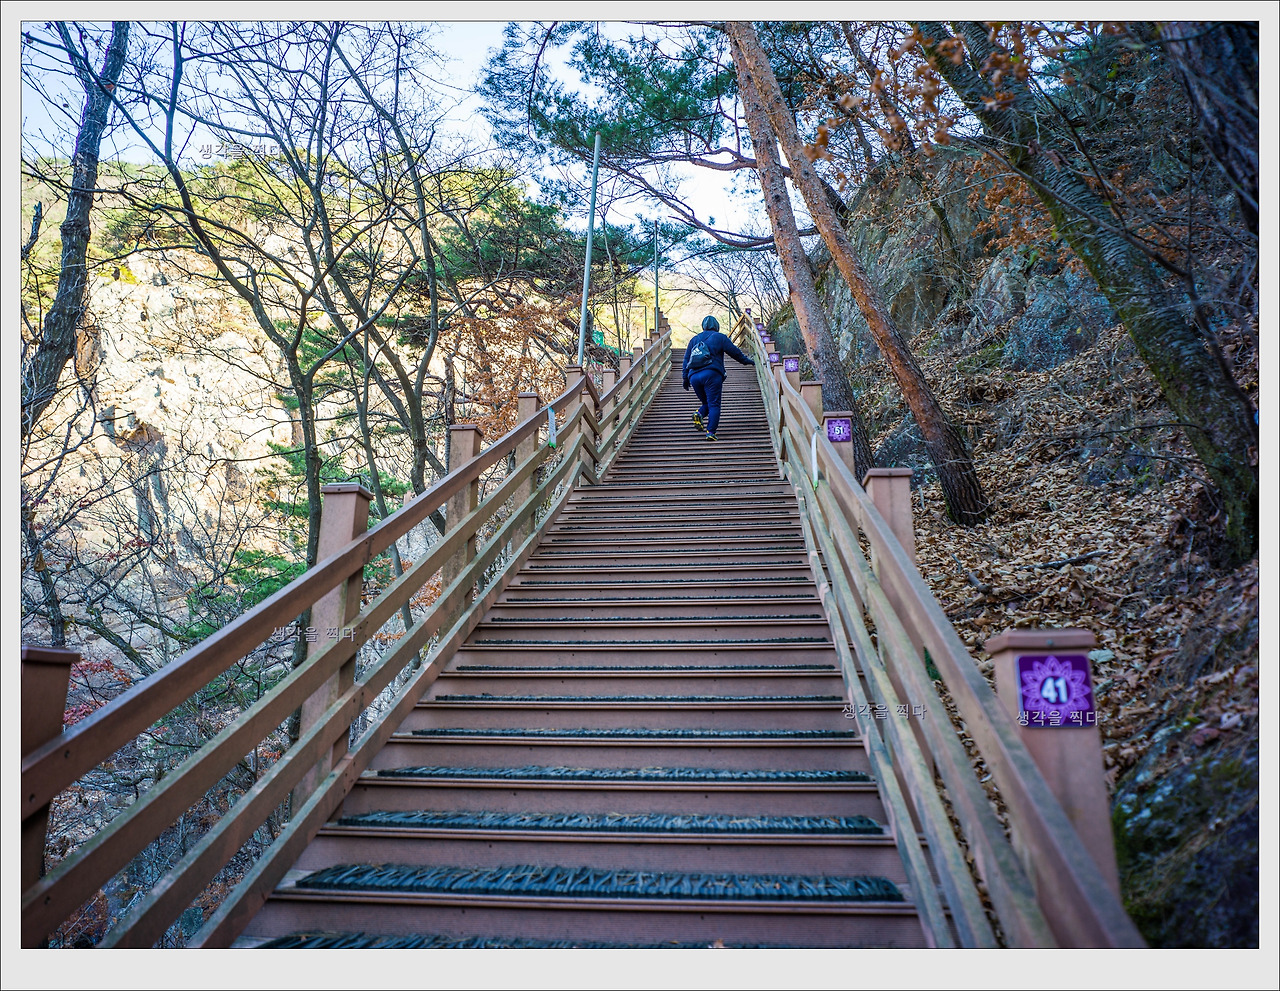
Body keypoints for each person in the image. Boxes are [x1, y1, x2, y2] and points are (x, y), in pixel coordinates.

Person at [682, 315, 756, 441]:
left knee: (707, 403)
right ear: (716, 326)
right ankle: (710, 432)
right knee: (714, 404)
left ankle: (699, 414)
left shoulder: (694, 340)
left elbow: (686, 360)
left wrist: (685, 378)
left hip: (694, 377)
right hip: (711, 374)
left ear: (703, 326)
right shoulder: (719, 337)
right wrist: (746, 361)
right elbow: (734, 352)